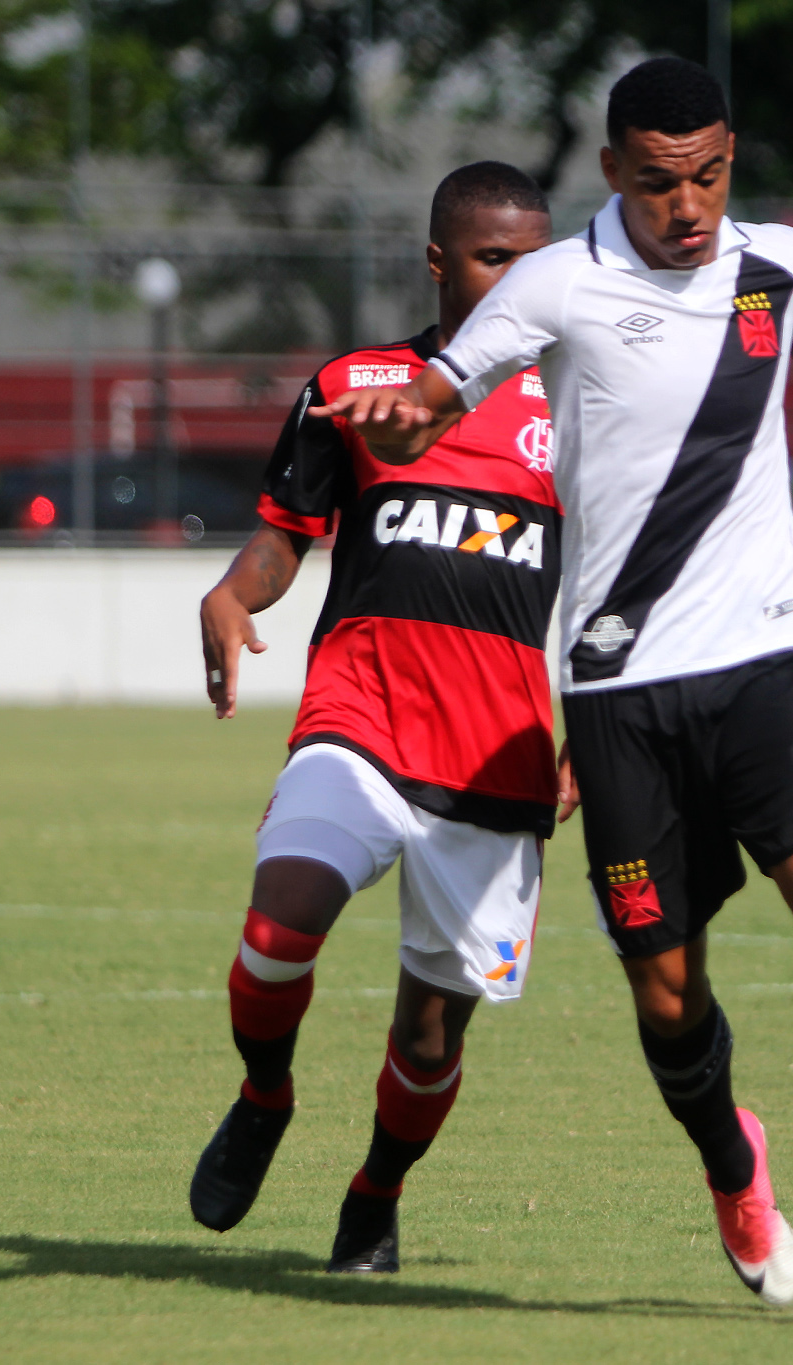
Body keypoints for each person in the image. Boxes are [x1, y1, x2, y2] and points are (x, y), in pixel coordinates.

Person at [308, 58, 793, 1330]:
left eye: (708, 177)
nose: (686, 207)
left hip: (765, 658)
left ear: (730, 160)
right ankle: (731, 1166)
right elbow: (434, 401)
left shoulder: (773, 261)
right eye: (657, 183)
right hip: (617, 686)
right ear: (610, 173)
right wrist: (394, 422)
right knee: (663, 991)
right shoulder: (553, 285)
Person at [189, 161, 559, 1276]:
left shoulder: (581, 406)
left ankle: (374, 1194)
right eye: (493, 259)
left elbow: (617, 589)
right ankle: (264, 1096)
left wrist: (590, 734)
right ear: (438, 261)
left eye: (533, 261)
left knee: (428, 1037)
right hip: (359, 719)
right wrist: (232, 594)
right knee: (278, 927)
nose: (516, 281)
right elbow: (284, 535)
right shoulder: (357, 385)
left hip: (496, 758)